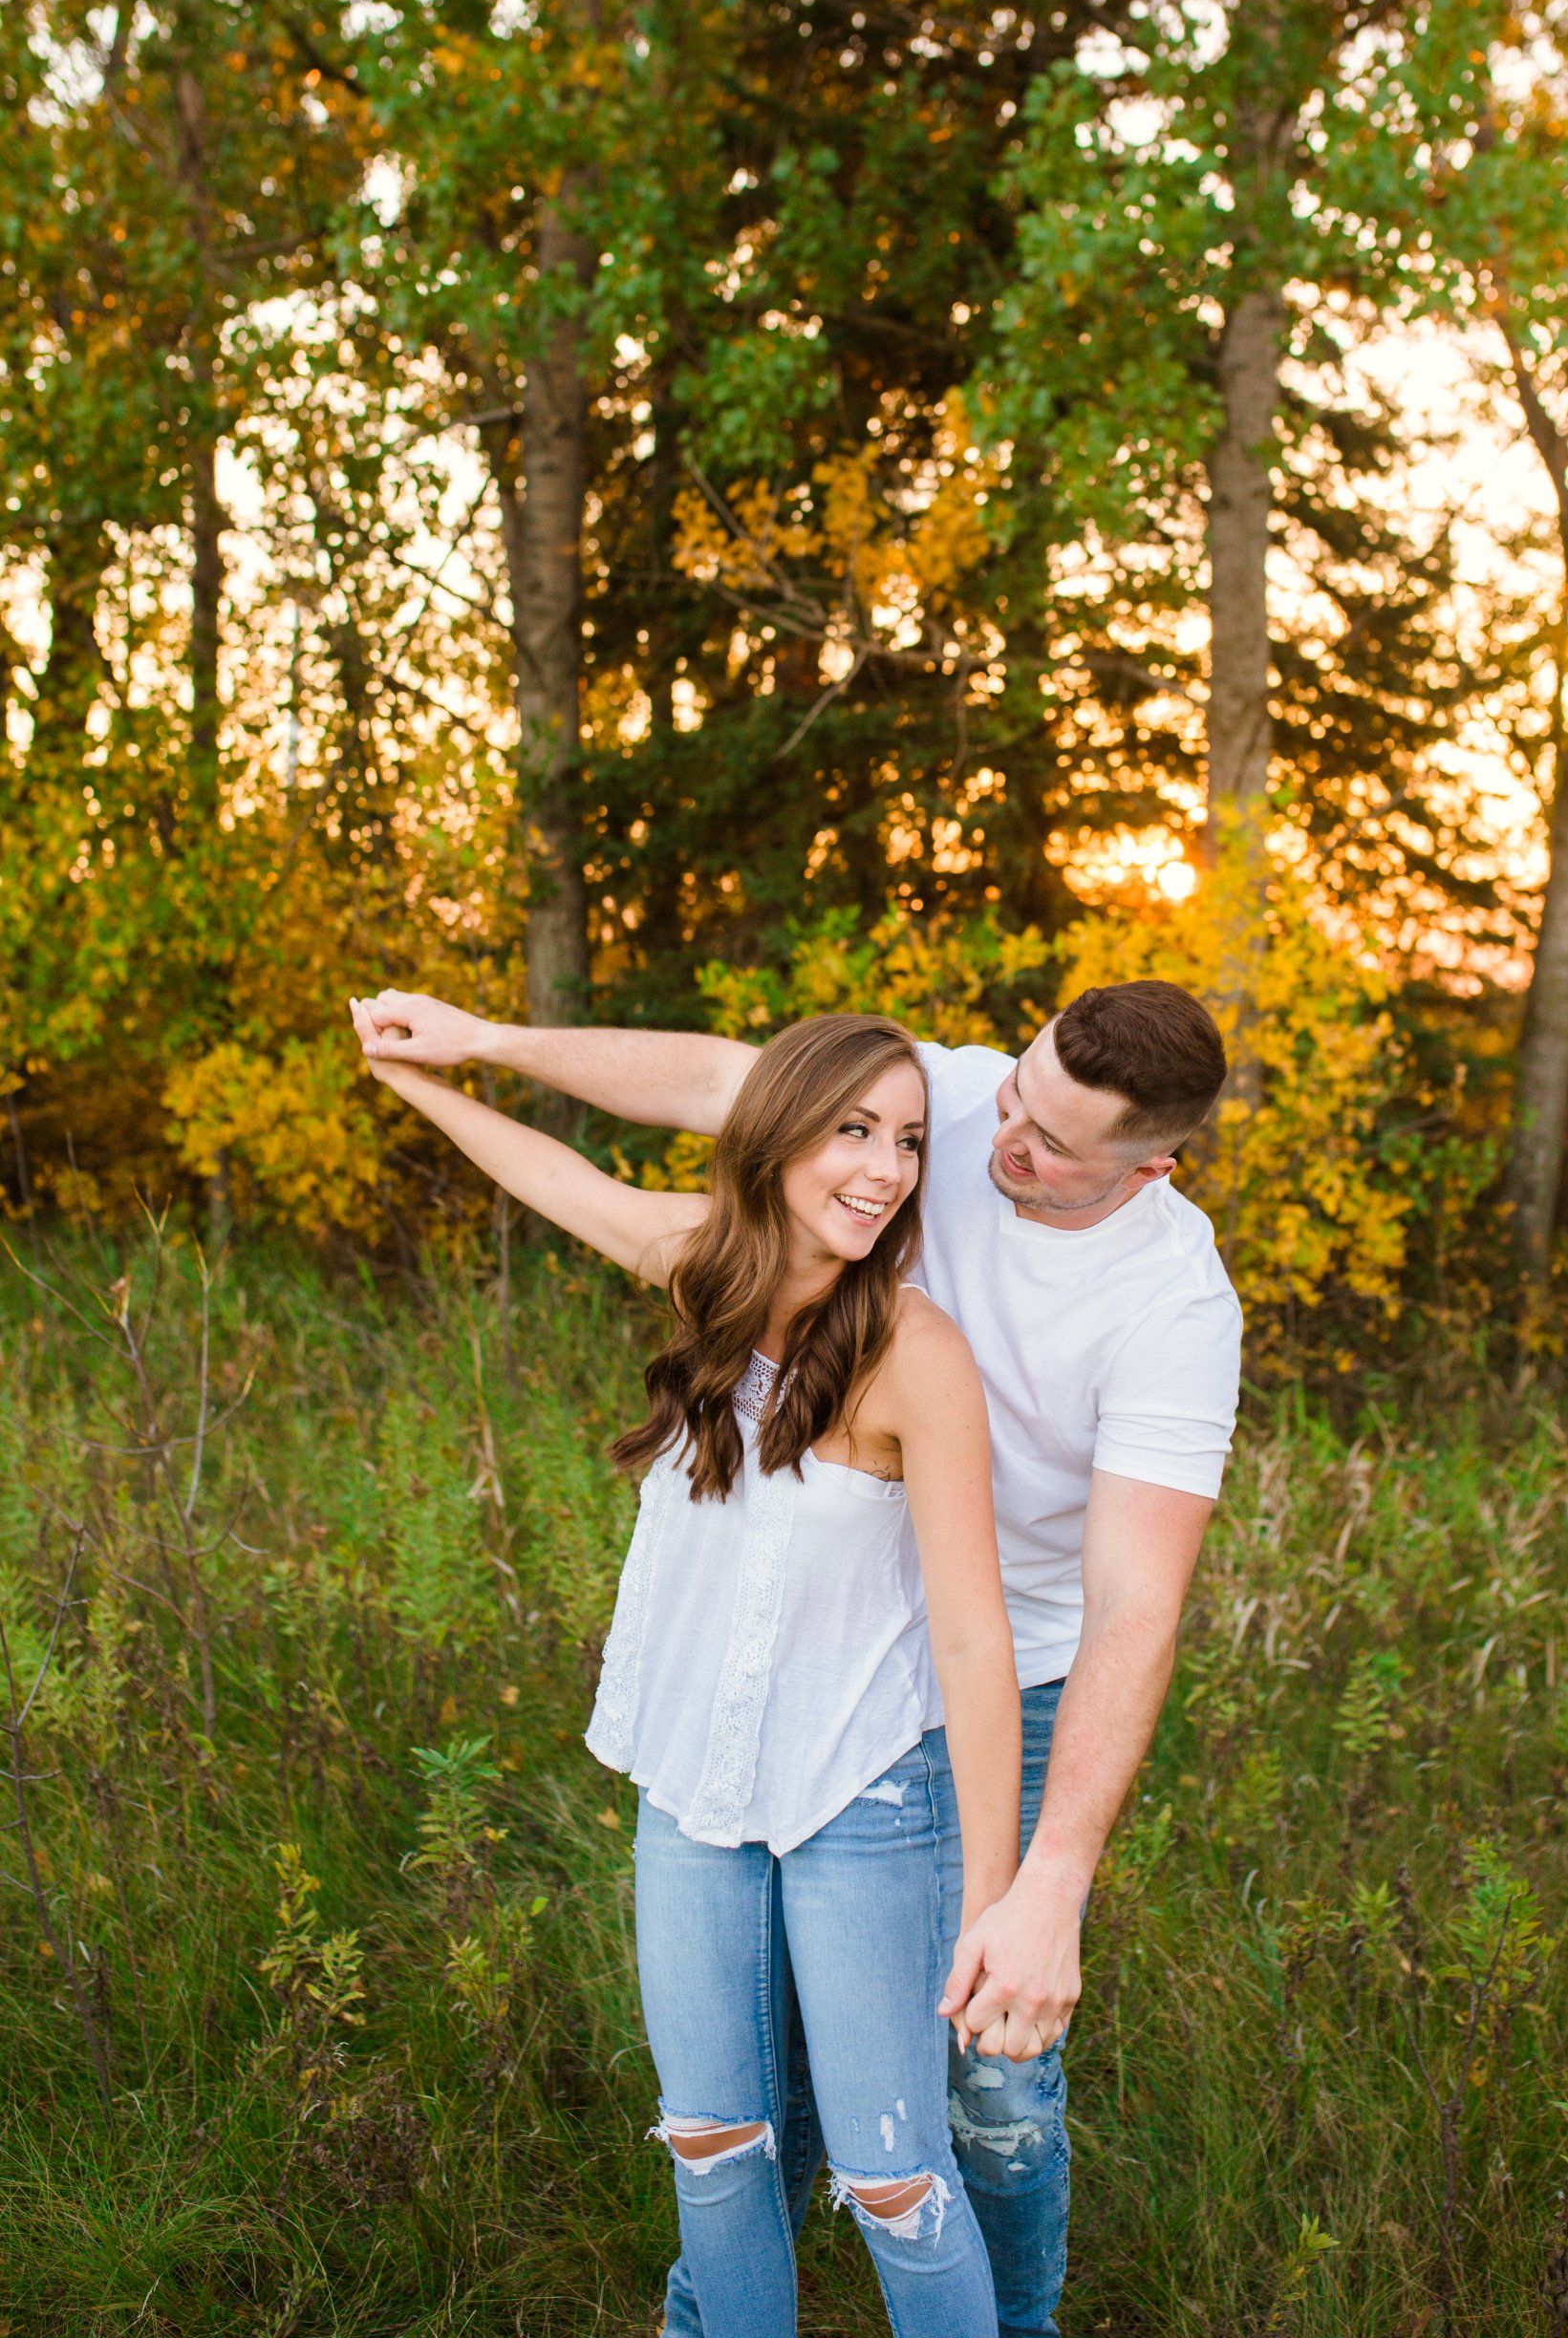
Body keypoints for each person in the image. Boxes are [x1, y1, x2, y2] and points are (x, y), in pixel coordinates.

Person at [354, 975, 1241, 2338]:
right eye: (1010, 1098)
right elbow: (711, 1088)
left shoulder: (1168, 1306)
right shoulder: (912, 1118)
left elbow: (1123, 1607)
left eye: (1052, 1145)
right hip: (765, 1692)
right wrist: (474, 1048)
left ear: (1150, 1165)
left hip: (1009, 1671)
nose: (985, 1145)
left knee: (980, 2089)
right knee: (732, 2108)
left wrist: (1040, 1884)